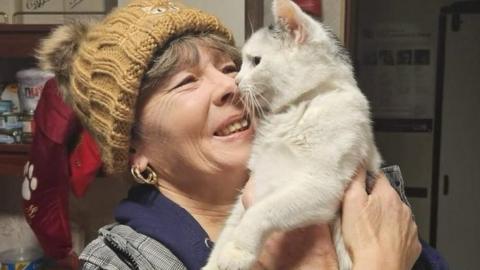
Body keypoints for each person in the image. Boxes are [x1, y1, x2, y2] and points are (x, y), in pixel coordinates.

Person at [36, 0, 433, 269]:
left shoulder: (363, 192)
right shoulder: (123, 261)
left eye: (229, 68)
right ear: (134, 150)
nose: (232, 86)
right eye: (186, 81)